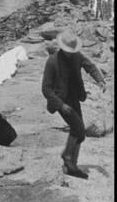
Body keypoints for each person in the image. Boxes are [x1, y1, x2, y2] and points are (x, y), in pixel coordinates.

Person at [42, 29, 106, 179]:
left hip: (74, 98)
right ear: (62, 48)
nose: (70, 53)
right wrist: (60, 105)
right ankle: (68, 159)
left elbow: (90, 66)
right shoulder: (52, 61)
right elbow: (45, 88)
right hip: (61, 101)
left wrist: (100, 80)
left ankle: (70, 166)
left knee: (81, 133)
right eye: (67, 51)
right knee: (78, 129)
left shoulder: (76, 56)